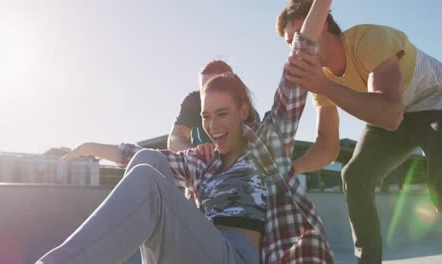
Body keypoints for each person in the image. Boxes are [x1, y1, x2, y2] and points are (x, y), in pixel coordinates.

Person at [36, 1, 334, 262]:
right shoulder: (203, 161)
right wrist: (89, 146)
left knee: (149, 181)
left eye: (222, 115)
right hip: (201, 246)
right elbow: (136, 155)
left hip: (239, 255)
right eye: (206, 117)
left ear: (243, 112)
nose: (213, 126)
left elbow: (298, 60)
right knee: (148, 163)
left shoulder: (270, 140)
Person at [277, 0, 442, 263]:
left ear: (325, 23)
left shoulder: (368, 40)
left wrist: (326, 87)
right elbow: (327, 147)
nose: (298, 47)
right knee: (354, 176)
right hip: (394, 116)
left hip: (434, 101)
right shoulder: (321, 78)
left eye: (301, 34)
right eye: (289, 43)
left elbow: (390, 112)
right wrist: (291, 168)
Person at [168, 60, 261, 201]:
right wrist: (198, 155)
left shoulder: (249, 113)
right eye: (203, 89)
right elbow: (174, 139)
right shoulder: (194, 101)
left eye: (214, 85)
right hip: (198, 183)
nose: (207, 94)